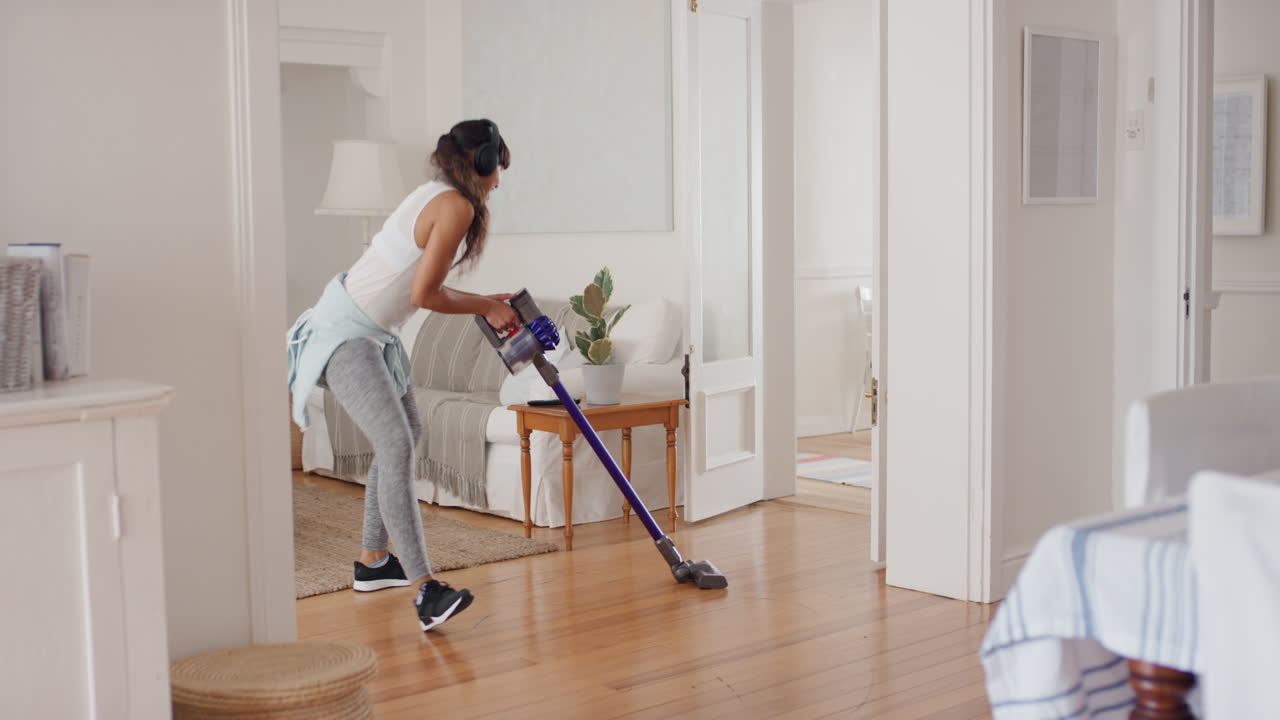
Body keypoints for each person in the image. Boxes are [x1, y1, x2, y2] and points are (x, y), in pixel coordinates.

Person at [287, 119, 519, 632]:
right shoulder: (455, 205)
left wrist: (486, 302)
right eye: (498, 166)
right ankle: (425, 590)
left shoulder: (441, 195)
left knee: (405, 436)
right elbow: (423, 295)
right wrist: (483, 304)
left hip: (370, 336)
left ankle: (375, 562)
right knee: (395, 443)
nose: (499, 181)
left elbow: (422, 288)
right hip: (344, 334)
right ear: (482, 162)